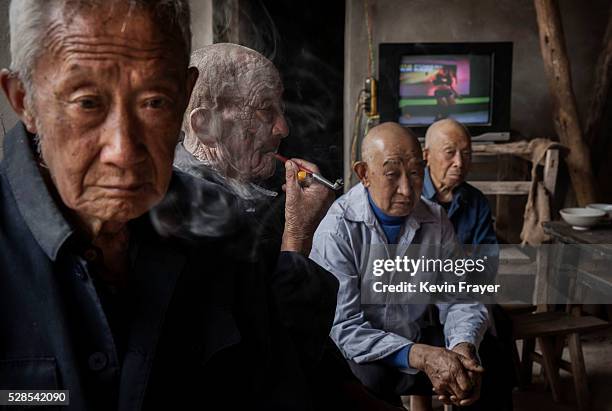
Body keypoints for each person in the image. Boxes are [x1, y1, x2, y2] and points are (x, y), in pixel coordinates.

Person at [0, 2, 335, 410]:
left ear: (186, 92)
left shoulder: (221, 228)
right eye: (88, 103)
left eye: (155, 102)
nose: (123, 151)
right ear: (23, 100)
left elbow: (274, 386)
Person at [171, 43, 404, 411]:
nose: (283, 126)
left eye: (279, 108)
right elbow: (270, 353)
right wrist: (298, 234)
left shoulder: (241, 198)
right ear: (205, 124)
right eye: (265, 109)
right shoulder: (189, 216)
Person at [311, 122, 507, 409]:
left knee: (488, 359)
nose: (406, 188)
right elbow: (345, 328)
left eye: (415, 172)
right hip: (361, 353)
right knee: (364, 379)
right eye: (392, 174)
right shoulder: (338, 229)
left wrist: (462, 348)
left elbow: (461, 298)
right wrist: (423, 356)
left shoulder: (435, 219)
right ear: (364, 174)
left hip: (413, 335)